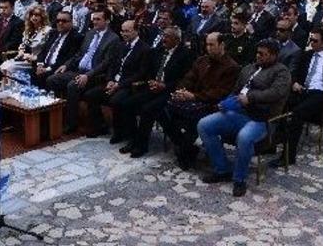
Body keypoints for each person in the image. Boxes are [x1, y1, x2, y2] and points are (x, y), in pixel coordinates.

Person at [197, 39, 291, 197]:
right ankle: (222, 169)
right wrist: (226, 102)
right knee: (204, 125)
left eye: (263, 54)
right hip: (239, 113)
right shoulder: (249, 68)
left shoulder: (281, 72)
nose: (258, 56)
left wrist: (251, 97)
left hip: (262, 119)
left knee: (244, 137)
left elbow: (276, 93)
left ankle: (239, 179)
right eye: (257, 52)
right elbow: (236, 91)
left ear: (274, 55)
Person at [270, 27, 323, 167]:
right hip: (302, 90)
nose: (311, 43)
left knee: (296, 114)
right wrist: (295, 82)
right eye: (310, 40)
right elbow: (294, 72)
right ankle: (271, 143)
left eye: (315, 40)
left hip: (321, 94)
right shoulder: (306, 55)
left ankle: (288, 156)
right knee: (277, 104)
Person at [158, 32, 240, 170]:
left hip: (212, 105)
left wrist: (194, 96)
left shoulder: (231, 67)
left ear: (222, 45)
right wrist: (181, 91)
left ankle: (184, 151)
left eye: (211, 45)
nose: (208, 48)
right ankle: (186, 147)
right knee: (161, 110)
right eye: (206, 44)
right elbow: (188, 78)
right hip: (194, 100)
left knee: (192, 121)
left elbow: (220, 93)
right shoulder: (201, 61)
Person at [119, 26, 191, 158]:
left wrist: (164, 86)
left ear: (177, 39)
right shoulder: (158, 50)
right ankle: (133, 139)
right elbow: (149, 70)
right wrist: (151, 81)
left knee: (148, 109)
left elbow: (184, 79)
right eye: (163, 35)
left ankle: (141, 145)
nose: (164, 39)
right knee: (127, 103)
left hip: (170, 91)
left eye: (167, 36)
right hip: (153, 88)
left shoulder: (185, 54)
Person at [46, 9, 122, 134]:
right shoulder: (90, 34)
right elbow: (79, 54)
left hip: (96, 75)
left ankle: (72, 124)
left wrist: (87, 75)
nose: (94, 22)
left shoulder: (113, 39)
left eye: (98, 19)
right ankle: (57, 116)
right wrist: (66, 65)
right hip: (79, 70)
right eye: (93, 19)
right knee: (52, 79)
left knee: (73, 86)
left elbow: (106, 63)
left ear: (107, 21)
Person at [83, 20, 152, 140]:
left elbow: (141, 74)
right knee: (91, 94)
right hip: (114, 82)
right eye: (122, 31)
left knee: (116, 100)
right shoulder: (120, 45)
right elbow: (113, 65)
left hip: (128, 85)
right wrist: (110, 80)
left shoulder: (144, 49)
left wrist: (118, 85)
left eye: (127, 31)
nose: (124, 34)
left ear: (136, 31)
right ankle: (100, 126)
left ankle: (120, 132)